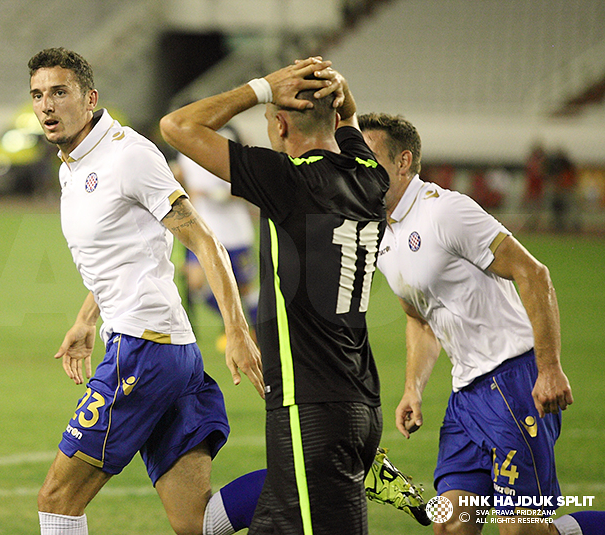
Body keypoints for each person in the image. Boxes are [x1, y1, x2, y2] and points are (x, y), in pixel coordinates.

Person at [28, 47, 266, 535]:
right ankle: (331, 476)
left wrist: (238, 329)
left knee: (57, 500)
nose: (46, 106)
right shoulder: (72, 163)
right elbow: (128, 252)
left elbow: (204, 239)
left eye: (59, 92)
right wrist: (86, 319)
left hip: (143, 351)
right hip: (163, 348)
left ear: (90, 98)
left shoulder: (128, 156)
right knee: (197, 522)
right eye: (37, 95)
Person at [162, 57, 395, 535]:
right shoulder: (370, 175)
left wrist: (263, 87)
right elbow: (348, 121)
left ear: (282, 122)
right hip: (355, 400)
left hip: (309, 407)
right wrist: (339, 96)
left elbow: (178, 125)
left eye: (270, 119)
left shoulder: (290, 180)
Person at [357, 112, 605, 535]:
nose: (360, 167)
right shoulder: (385, 237)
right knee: (450, 525)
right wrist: (412, 389)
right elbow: (420, 321)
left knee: (521, 530)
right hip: (466, 396)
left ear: (402, 162)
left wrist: (548, 368)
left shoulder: (446, 211)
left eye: (369, 157)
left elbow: (534, 274)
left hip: (515, 382)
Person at [171, 124, 259, 347]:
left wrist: (214, 194)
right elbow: (184, 184)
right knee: (195, 283)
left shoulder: (228, 153)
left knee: (244, 289)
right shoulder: (186, 155)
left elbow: (247, 189)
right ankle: (237, 324)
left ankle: (259, 331)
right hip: (204, 232)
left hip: (236, 233)